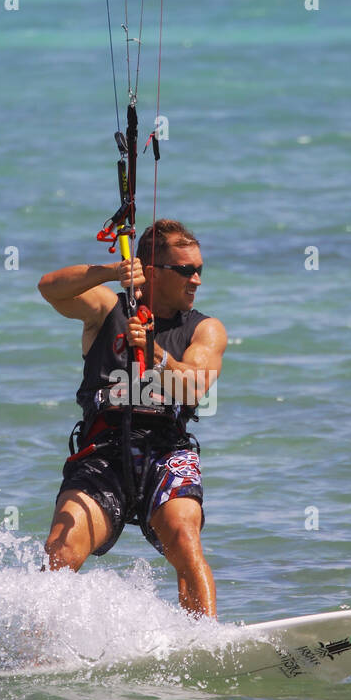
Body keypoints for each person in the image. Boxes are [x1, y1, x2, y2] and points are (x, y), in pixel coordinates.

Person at [37, 220, 227, 618]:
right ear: (152, 271)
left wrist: (155, 353)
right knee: (62, 549)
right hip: (103, 452)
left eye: (200, 270)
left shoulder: (204, 329)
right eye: (186, 271)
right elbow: (49, 288)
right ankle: (31, 654)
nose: (196, 280)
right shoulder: (108, 308)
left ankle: (208, 642)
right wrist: (110, 273)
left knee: (184, 538)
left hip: (166, 451)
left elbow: (193, 388)